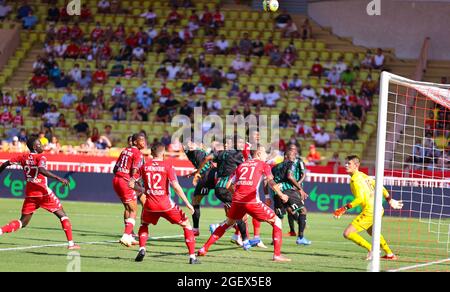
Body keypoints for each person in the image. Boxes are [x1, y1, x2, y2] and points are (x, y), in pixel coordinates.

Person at [197, 146, 291, 262]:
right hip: (251, 201)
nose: (266, 156)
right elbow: (271, 181)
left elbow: (228, 185)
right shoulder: (263, 165)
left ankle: (203, 249)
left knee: (227, 224)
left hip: (237, 201)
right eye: (265, 153)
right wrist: (281, 195)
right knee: (276, 221)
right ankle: (277, 255)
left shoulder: (241, 165)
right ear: (259, 154)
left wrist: (237, 195)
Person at [0, 137, 79, 249]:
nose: (42, 146)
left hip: (30, 194)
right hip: (43, 193)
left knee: (23, 222)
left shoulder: (22, 156)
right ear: (34, 147)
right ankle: (71, 244)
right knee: (63, 216)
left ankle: (1, 231)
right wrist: (59, 178)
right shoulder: (41, 157)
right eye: (40, 145)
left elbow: (4, 164)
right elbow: (41, 170)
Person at [129, 142, 199, 264]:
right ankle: (192, 257)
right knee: (187, 225)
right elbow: (176, 186)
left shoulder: (144, 167)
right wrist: (187, 203)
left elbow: (130, 183)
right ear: (164, 153)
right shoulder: (168, 166)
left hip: (150, 204)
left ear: (151, 153)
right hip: (166, 204)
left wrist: (143, 190)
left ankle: (142, 248)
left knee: (144, 224)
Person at [333, 155, 404, 260]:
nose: (346, 165)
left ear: (356, 165)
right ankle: (389, 254)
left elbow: (360, 199)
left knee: (348, 233)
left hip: (370, 211)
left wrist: (343, 209)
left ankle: (372, 249)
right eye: (346, 163)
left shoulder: (355, 180)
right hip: (378, 208)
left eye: (349, 163)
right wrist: (389, 199)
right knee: (372, 232)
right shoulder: (363, 176)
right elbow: (380, 186)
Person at [112, 133, 146, 247]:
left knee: (128, 207)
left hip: (116, 179)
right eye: (142, 141)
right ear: (135, 142)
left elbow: (115, 168)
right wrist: (133, 183)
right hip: (126, 182)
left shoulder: (125, 150)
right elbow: (134, 171)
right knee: (133, 210)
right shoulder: (138, 153)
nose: (144, 142)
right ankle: (126, 235)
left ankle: (130, 236)